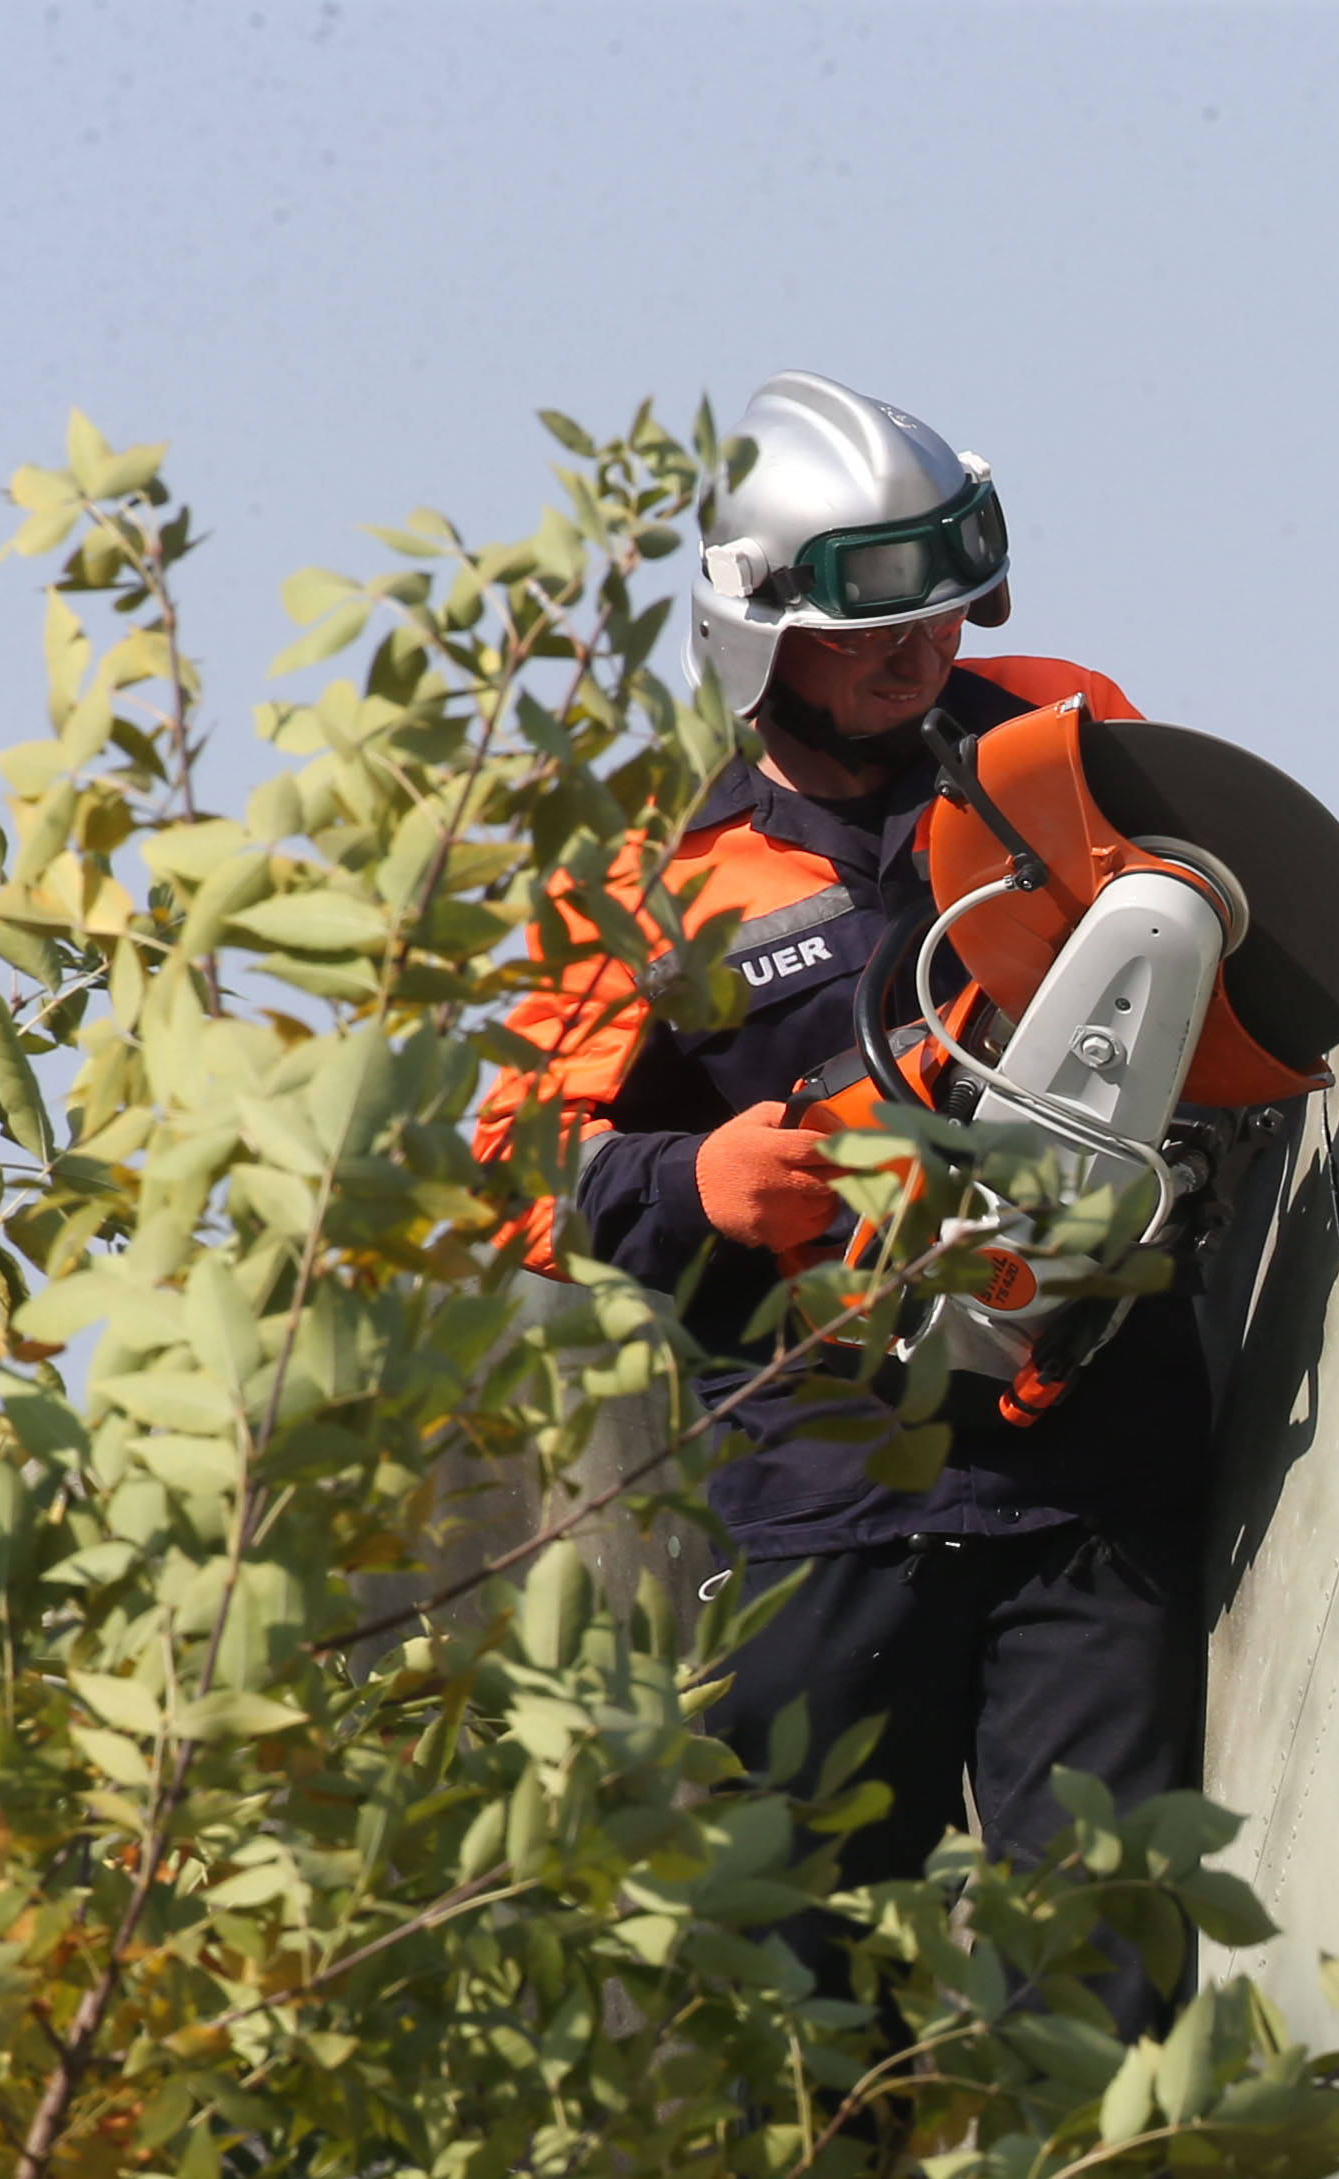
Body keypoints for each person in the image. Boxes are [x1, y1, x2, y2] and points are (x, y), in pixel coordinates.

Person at [474, 369, 1204, 2032]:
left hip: (1093, 1467)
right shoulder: (653, 883)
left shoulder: (1061, 735)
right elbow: (508, 1173)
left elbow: (1233, 947)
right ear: (756, 626)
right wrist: (690, 1179)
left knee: (1102, 1988)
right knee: (801, 2016)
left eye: (947, 608)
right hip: (832, 1496)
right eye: (873, 618)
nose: (921, 650)